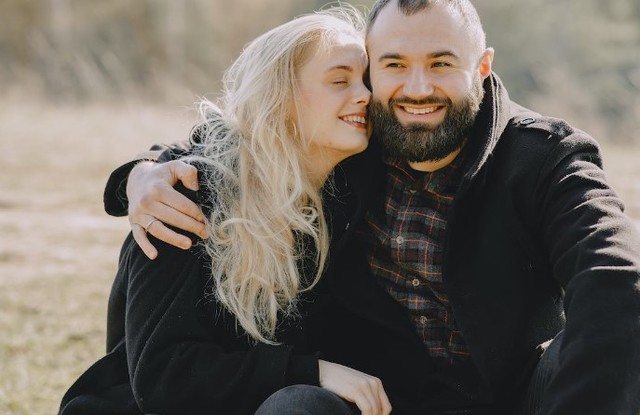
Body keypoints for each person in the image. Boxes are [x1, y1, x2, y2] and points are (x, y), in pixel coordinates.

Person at [105, 0, 640, 414]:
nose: (417, 88)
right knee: (297, 405)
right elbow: (241, 137)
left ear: (481, 66)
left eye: (441, 63)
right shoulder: (356, 142)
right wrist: (141, 174)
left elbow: (613, 275)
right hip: (382, 402)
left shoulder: (543, 158)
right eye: (392, 65)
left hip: (517, 398)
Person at [58, 6, 394, 415]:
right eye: (340, 80)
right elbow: (165, 378)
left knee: (301, 403)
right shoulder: (186, 199)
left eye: (366, 81)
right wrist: (311, 371)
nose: (365, 95)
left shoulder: (348, 196)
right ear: (279, 97)